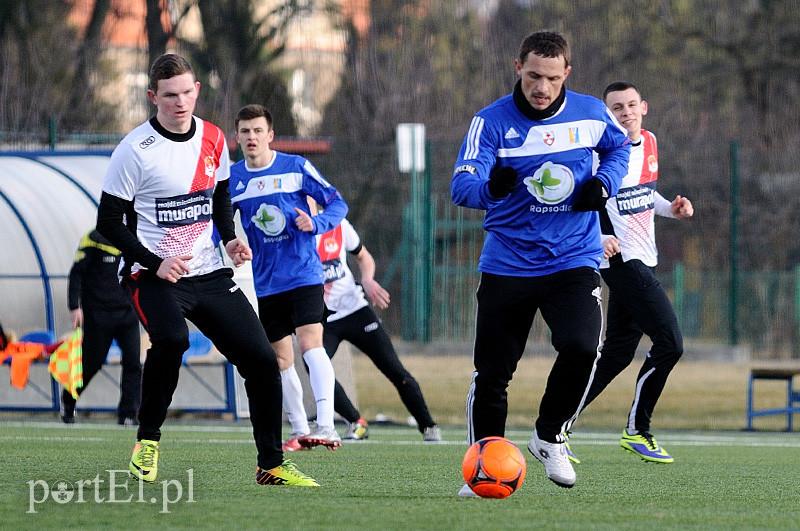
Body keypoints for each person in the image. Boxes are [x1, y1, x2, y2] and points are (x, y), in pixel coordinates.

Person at [96, 53, 317, 487]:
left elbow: (219, 198)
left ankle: (271, 464)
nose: (180, 102)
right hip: (151, 274)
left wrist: (230, 237)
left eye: (187, 92)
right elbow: (108, 223)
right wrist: (155, 262)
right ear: (152, 97)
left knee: (261, 360)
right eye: (170, 95)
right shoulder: (134, 151)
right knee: (172, 340)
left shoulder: (214, 138)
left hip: (208, 270)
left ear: (197, 89)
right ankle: (147, 441)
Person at [450, 31, 630, 494]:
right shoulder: (489, 122)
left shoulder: (592, 112)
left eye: (552, 78)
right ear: (518, 68)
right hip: (508, 262)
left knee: (583, 346)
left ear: (566, 73)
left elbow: (619, 147)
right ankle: (483, 466)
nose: (542, 87)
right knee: (493, 372)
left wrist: (604, 183)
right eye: (533, 76)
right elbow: (462, 185)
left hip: (573, 257)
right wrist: (493, 187)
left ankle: (550, 436)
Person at [568, 81, 693, 464]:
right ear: (608, 114)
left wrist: (672, 209)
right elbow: (583, 197)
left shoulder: (651, 143)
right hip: (622, 260)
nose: (625, 112)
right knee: (670, 343)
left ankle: (555, 423)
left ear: (644, 107)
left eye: (630, 105)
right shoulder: (601, 152)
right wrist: (600, 235)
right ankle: (637, 430)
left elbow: (640, 195)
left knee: (617, 354)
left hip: (643, 255)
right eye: (616, 108)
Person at [230, 104, 347, 451]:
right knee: (280, 359)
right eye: (245, 131)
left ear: (270, 135)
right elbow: (218, 220)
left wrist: (317, 223)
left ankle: (327, 425)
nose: (252, 137)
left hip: (304, 274)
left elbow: (337, 202)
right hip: (267, 283)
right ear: (237, 137)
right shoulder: (234, 179)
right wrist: (231, 244)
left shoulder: (295, 167)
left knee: (311, 343)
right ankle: (300, 429)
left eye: (257, 131)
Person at [315, 218, 441, 442]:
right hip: (322, 318)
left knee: (394, 369)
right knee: (315, 367)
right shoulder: (290, 231)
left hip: (355, 311)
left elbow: (363, 257)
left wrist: (367, 280)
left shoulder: (336, 223)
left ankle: (428, 426)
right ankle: (356, 422)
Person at [61, 228, 142, 425]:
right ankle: (68, 400)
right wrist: (74, 306)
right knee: (91, 363)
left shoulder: (137, 236)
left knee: (133, 364)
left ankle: (128, 414)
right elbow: (76, 274)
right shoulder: (93, 238)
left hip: (128, 313)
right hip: (98, 313)